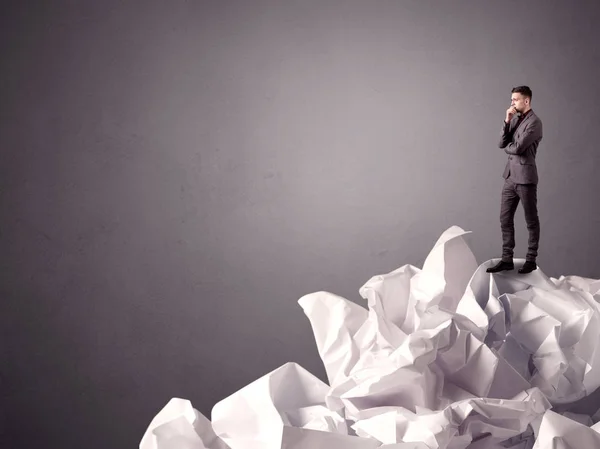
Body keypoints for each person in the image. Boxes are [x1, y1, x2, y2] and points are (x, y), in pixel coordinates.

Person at [487, 86, 543, 274]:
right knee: (505, 219)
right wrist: (507, 120)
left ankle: (531, 259)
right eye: (511, 100)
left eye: (516, 100)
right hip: (510, 177)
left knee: (531, 220)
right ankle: (506, 259)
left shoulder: (535, 122)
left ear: (526, 101)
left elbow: (517, 148)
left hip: (526, 179)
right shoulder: (515, 119)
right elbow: (501, 143)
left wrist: (510, 145)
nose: (512, 103)